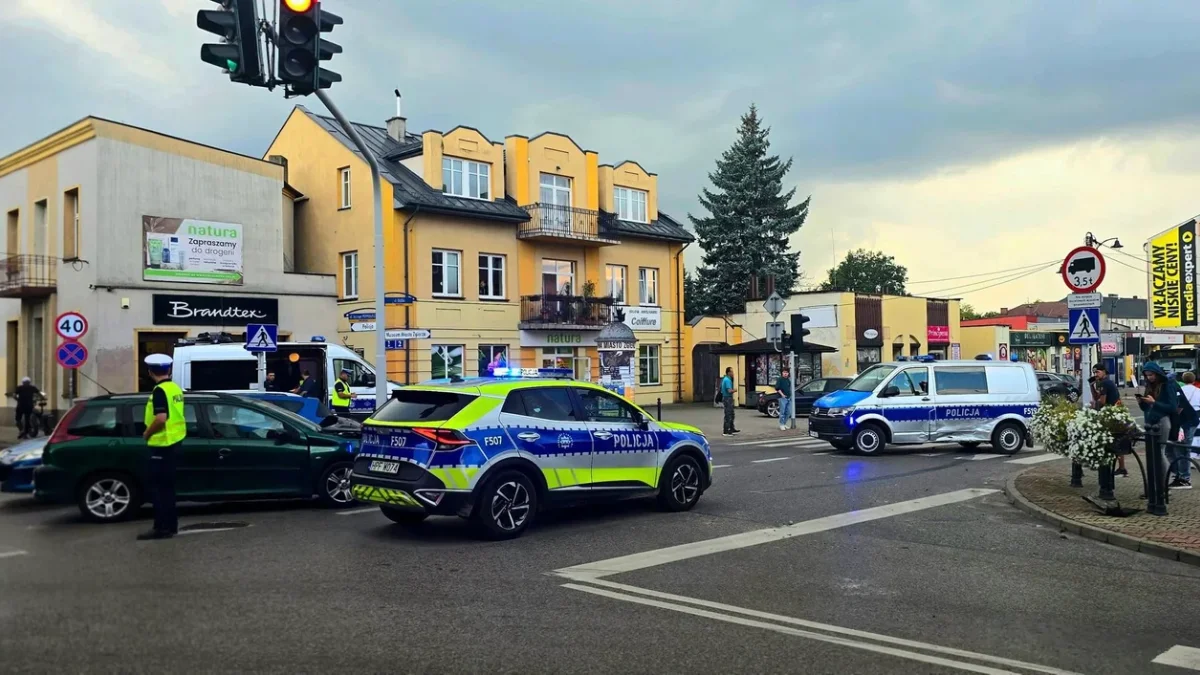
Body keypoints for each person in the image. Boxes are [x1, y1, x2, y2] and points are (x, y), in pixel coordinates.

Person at [138, 354, 186, 541]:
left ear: (150, 372)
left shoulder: (159, 391)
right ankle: (171, 526)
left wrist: (146, 433)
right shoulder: (175, 388)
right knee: (168, 489)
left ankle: (161, 528)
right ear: (169, 370)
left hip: (162, 445)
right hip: (176, 442)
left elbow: (160, 418)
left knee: (158, 490)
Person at [1091, 364, 1128, 477]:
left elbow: (1102, 401)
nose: (1095, 374)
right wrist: (1092, 386)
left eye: (1097, 372)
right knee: (1117, 441)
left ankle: (1112, 467)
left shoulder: (1105, 383)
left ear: (1104, 372)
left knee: (1113, 441)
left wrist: (1094, 405)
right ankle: (1121, 468)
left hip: (1112, 415)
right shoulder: (1105, 382)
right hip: (1116, 413)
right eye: (1094, 372)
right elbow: (1097, 397)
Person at [1171, 372, 1200, 489]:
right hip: (1194, 418)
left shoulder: (1179, 390)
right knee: (1190, 444)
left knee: (1182, 447)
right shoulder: (1197, 391)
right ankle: (1183, 473)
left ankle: (1183, 476)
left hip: (1184, 420)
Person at [720, 367, 740, 437]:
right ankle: (726, 431)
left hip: (727, 398)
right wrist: (735, 390)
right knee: (728, 414)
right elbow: (729, 391)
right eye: (732, 372)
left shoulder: (726, 379)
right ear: (728, 373)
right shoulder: (727, 380)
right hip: (727, 398)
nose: (733, 373)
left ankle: (731, 428)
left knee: (731, 414)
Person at [775, 368, 792, 432]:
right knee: (782, 412)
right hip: (782, 397)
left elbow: (789, 387)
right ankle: (781, 424)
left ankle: (784, 423)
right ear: (782, 373)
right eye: (784, 372)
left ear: (788, 373)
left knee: (789, 412)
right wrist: (782, 395)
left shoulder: (788, 380)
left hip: (788, 397)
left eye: (786, 372)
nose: (785, 373)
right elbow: (777, 388)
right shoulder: (780, 379)